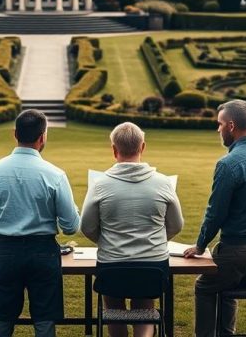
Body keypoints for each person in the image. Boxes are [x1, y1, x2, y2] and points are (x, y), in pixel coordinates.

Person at [0, 109, 80, 337]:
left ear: (15, 134)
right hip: (43, 251)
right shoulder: (55, 174)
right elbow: (71, 226)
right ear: (42, 137)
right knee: (44, 321)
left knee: (2, 319)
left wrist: (6, 223)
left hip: (6, 249)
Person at [183, 100, 246, 337]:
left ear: (231, 125)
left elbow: (215, 214)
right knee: (226, 281)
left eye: (219, 125)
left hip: (240, 250)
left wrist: (200, 245)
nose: (217, 130)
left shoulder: (228, 164)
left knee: (205, 286)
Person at [80, 122, 184, 337]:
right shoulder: (163, 183)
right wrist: (153, 241)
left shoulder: (100, 184)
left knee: (113, 310)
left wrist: (107, 242)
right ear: (142, 147)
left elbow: (87, 227)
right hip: (152, 265)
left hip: (112, 266)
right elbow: (176, 225)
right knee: (145, 310)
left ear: (114, 150)